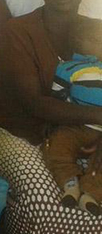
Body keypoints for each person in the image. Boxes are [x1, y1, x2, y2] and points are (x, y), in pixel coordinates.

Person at [0, 0, 102, 232]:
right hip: (14, 131)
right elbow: (34, 104)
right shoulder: (17, 31)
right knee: (45, 202)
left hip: (81, 132)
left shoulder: (96, 33)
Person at [42, 18, 102, 215]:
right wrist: (53, 124)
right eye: (93, 39)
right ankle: (70, 183)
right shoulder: (67, 68)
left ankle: (91, 193)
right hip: (75, 126)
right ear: (76, 41)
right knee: (57, 147)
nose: (99, 43)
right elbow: (57, 98)